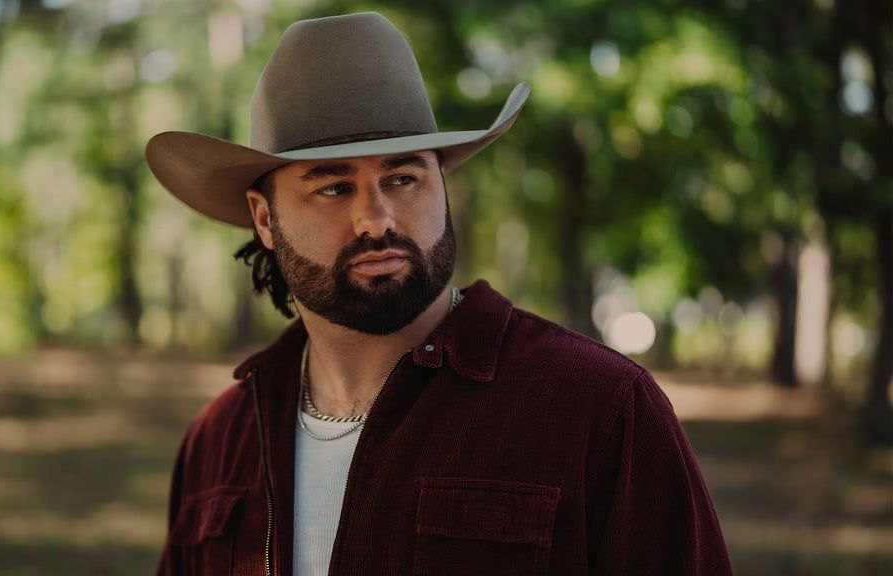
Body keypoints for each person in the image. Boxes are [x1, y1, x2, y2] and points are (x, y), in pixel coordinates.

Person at [146, 11, 732, 576]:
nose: (376, 219)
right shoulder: (220, 440)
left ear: (441, 188)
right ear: (264, 220)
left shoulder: (600, 408)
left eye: (403, 179)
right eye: (333, 188)